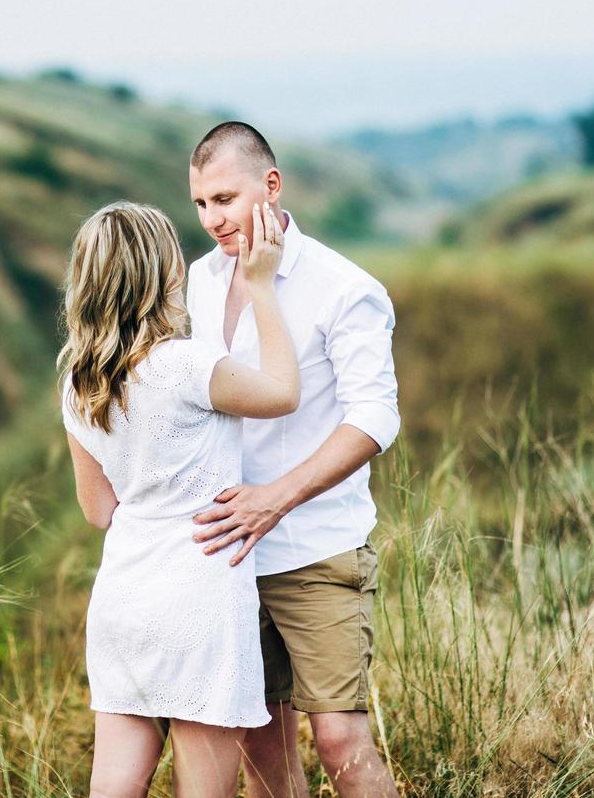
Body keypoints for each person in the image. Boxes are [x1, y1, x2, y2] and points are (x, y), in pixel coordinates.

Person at [186, 122, 402, 798]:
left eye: (225, 198)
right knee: (261, 744)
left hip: (316, 548)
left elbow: (374, 417)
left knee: (339, 736)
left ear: (271, 186)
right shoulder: (195, 281)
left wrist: (276, 496)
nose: (213, 218)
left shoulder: (345, 288)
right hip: (227, 554)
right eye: (200, 204)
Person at [58, 199, 301, 798]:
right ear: (162, 274)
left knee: (114, 782)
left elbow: (98, 511)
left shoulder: (78, 381)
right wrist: (261, 286)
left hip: (124, 594)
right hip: (199, 594)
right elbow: (283, 393)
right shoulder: (188, 365)